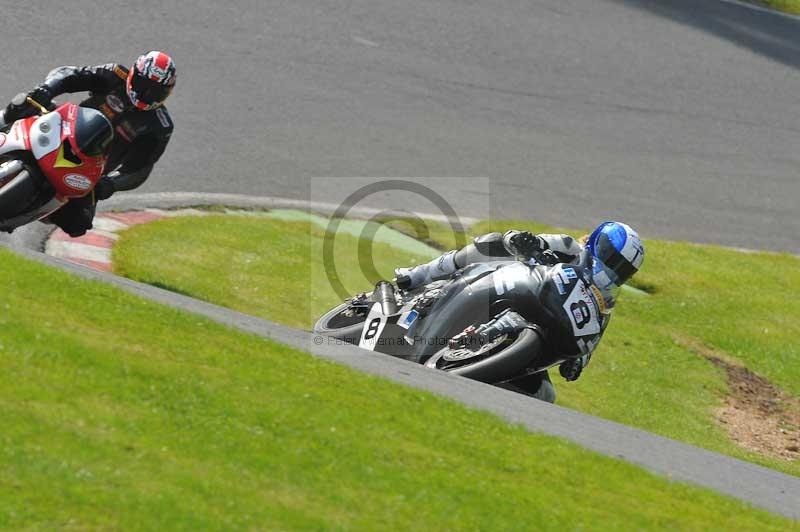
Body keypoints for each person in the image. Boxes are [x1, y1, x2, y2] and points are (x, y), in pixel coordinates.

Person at [395, 221, 645, 402]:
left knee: (546, 396)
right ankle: (419, 274)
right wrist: (524, 241)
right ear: (599, 245)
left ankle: (481, 405)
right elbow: (529, 239)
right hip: (509, 285)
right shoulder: (570, 248)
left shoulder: (603, 304)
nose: (613, 271)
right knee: (489, 243)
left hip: (536, 327)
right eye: (612, 260)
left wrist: (578, 362)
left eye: (621, 270)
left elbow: (589, 342)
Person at [0, 51, 176, 237]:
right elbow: (69, 74)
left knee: (78, 224)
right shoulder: (114, 75)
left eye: (156, 91)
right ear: (134, 74)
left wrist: (111, 184)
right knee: (21, 106)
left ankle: (27, 211)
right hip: (61, 128)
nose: (147, 94)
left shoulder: (159, 126)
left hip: (89, 172)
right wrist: (47, 89)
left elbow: (139, 169)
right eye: (143, 85)